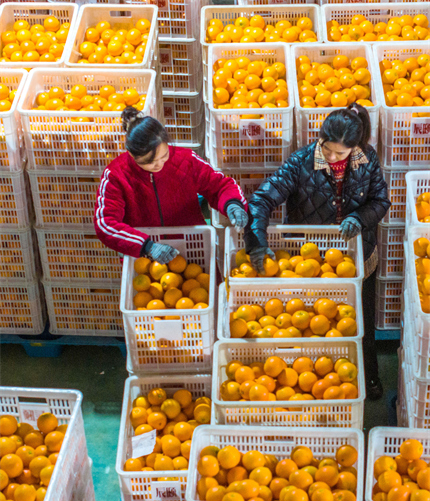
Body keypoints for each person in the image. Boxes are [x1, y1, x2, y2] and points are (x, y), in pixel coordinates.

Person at [244, 103, 390, 401]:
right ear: (319, 138)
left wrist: (359, 218)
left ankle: (368, 374)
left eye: (341, 153)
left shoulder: (367, 159)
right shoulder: (300, 163)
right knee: (312, 324)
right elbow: (261, 201)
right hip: (309, 262)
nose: (332, 157)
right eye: (327, 149)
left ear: (355, 147)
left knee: (360, 322)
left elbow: (380, 201)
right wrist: (256, 242)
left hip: (357, 258)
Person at [94, 108, 248, 262]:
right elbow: (105, 223)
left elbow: (220, 186)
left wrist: (232, 204)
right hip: (145, 259)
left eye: (164, 156)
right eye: (148, 161)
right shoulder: (115, 175)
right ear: (131, 153)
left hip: (194, 248)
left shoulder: (185, 160)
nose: (158, 164)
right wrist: (147, 246)